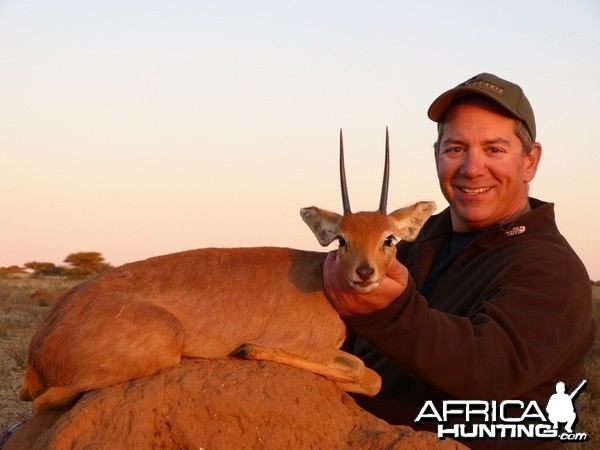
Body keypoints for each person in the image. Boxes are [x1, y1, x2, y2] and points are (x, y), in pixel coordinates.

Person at [323, 73, 596, 449]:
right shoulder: (412, 241)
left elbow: (487, 369)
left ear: (530, 161)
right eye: (455, 149)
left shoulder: (551, 269)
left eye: (494, 150)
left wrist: (387, 312)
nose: (471, 168)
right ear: (436, 155)